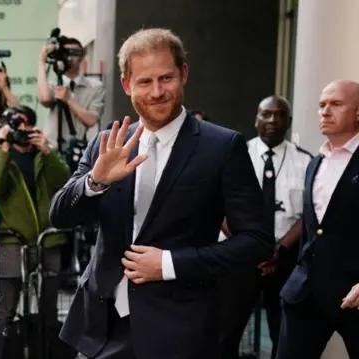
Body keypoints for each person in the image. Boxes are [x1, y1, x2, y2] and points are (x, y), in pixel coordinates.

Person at [49, 28, 274, 359]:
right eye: (144, 81)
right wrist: (95, 180)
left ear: (183, 74)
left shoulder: (222, 147)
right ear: (127, 85)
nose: (157, 92)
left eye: (166, 78)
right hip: (102, 326)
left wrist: (170, 263)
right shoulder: (108, 142)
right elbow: (60, 215)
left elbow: (257, 241)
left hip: (180, 328)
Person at [219, 96, 311, 359]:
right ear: (256, 119)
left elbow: (309, 215)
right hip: (239, 258)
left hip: (285, 260)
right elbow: (217, 208)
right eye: (266, 114)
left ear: (289, 122)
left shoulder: (305, 162)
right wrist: (251, 246)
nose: (272, 120)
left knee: (284, 333)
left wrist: (278, 249)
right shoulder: (233, 154)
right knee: (226, 332)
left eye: (279, 115)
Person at [277, 80, 359, 359]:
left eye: (336, 104)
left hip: (354, 294)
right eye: (322, 105)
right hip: (305, 294)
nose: (325, 111)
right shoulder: (315, 163)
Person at [0, 105, 71, 357]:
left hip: (49, 237)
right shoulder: (1, 156)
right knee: (8, 305)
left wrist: (47, 150)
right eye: (15, 124)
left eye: (25, 124)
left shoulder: (43, 154)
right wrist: (3, 149)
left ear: (34, 127)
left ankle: (45, 352)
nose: (21, 129)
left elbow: (64, 179)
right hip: (14, 240)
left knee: (49, 305)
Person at [38, 36, 105, 149]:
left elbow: (91, 120)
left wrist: (69, 99)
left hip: (78, 148)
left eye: (74, 52)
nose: (70, 57)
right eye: (66, 52)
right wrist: (41, 62)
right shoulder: (53, 84)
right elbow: (45, 99)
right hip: (51, 147)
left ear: (81, 56)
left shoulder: (95, 86)